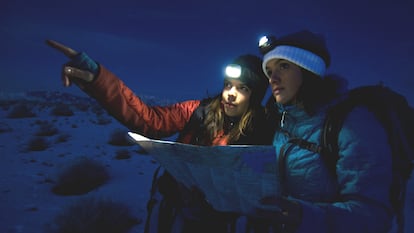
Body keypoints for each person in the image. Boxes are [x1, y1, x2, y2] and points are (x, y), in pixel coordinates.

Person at [46, 39, 274, 233]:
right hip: (173, 212)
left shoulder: (262, 130)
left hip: (223, 223)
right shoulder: (196, 111)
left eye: (242, 88)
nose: (230, 94)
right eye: (227, 85)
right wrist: (97, 79)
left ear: (255, 96)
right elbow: (148, 120)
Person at [253, 30, 395, 233]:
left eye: (283, 66)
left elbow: (373, 216)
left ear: (308, 69)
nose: (273, 78)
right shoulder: (281, 122)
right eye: (269, 70)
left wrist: (305, 216)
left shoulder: (352, 123)